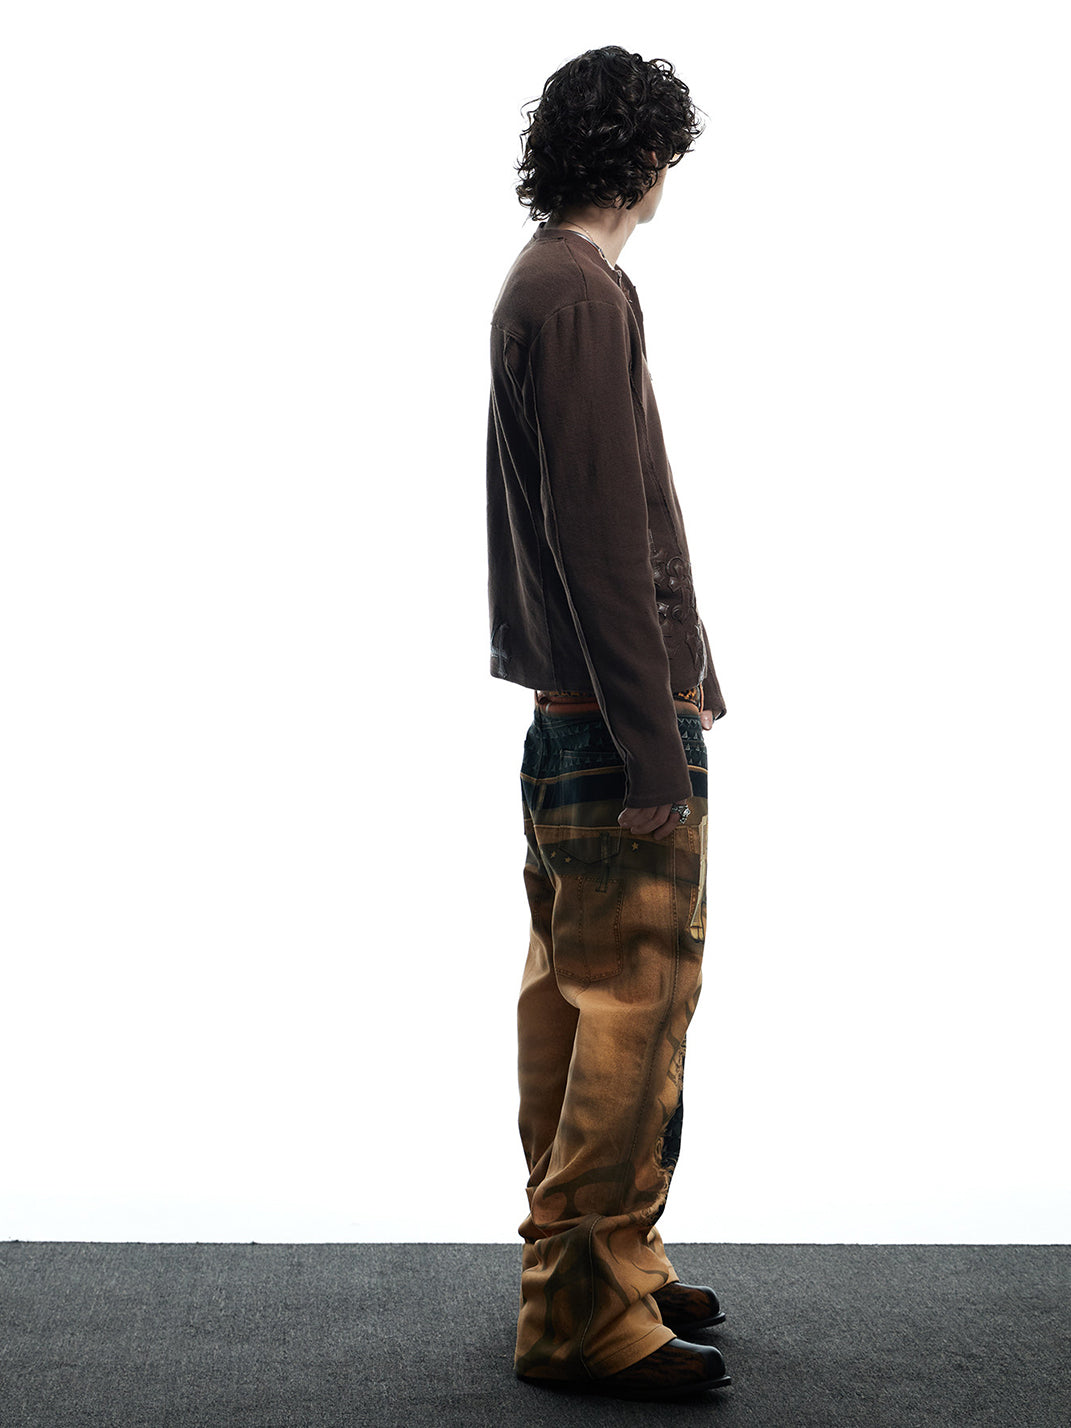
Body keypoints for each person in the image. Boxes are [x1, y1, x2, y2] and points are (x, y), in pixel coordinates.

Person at [485, 46, 732, 1401]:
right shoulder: (579, 292)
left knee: (577, 1002)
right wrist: (654, 734)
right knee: (633, 1005)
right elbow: (598, 536)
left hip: (577, 718)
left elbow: (602, 519)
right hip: (610, 726)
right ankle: (580, 1303)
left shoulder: (551, 283)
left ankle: (610, 1259)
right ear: (646, 160)